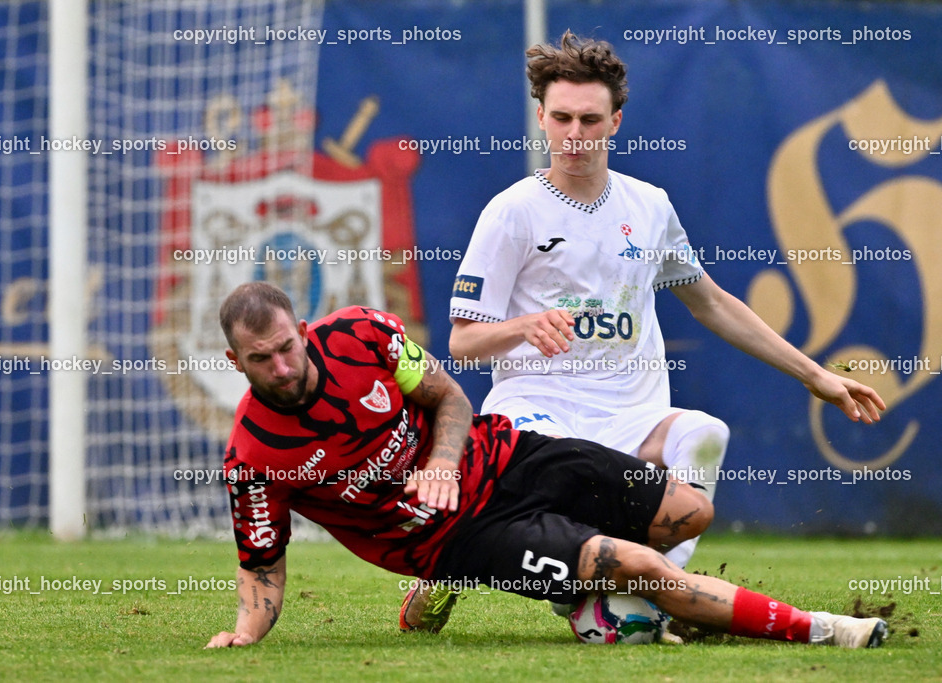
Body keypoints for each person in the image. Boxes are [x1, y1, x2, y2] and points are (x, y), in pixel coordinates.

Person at [204, 281, 887, 650]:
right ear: (236, 363)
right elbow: (261, 563)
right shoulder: (253, 457)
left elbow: (447, 395)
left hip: (503, 455)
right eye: (262, 359)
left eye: (288, 346)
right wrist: (244, 632)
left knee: (690, 510)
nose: (284, 366)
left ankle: (591, 592)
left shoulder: (363, 333)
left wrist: (442, 460)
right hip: (453, 539)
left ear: (302, 326)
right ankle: (825, 627)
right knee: (644, 565)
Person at [445, 30, 886, 572]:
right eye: (562, 119)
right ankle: (462, 553)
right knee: (546, 501)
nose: (575, 134)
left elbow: (712, 304)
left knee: (705, 433)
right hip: (541, 411)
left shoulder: (650, 207)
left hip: (632, 413)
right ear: (541, 117)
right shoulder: (511, 212)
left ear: (615, 123)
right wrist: (524, 326)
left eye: (589, 120)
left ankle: (657, 590)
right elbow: (462, 343)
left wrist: (814, 375)